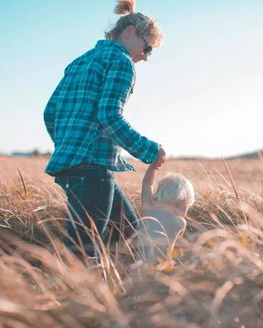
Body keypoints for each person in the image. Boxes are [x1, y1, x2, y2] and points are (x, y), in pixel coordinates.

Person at [43, 0, 165, 257]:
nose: (145, 57)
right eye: (148, 48)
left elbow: (50, 112)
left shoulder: (80, 61)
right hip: (92, 167)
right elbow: (109, 115)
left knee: (130, 234)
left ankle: (133, 291)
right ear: (130, 32)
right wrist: (150, 150)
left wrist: (68, 147)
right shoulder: (122, 62)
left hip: (72, 165)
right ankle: (73, 295)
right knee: (83, 250)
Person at [135, 161, 195, 264]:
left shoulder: (148, 210)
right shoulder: (180, 223)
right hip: (161, 270)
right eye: (187, 206)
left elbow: (147, 184)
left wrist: (154, 166)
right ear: (180, 202)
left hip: (139, 269)